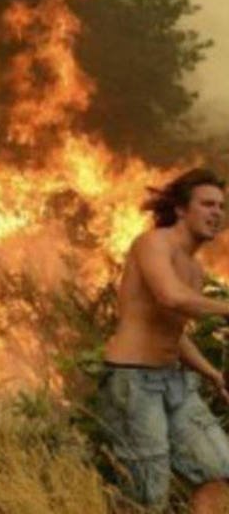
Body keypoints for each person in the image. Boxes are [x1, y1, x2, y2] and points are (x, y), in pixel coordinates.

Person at [101, 168, 229, 513]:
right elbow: (169, 297)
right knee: (145, 494)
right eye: (207, 204)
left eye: (221, 206)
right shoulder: (153, 243)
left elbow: (173, 332)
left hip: (175, 381)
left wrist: (211, 374)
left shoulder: (194, 269)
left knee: (218, 470)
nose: (217, 213)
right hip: (134, 380)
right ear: (181, 209)